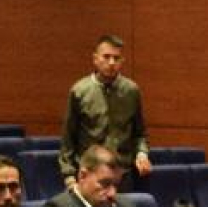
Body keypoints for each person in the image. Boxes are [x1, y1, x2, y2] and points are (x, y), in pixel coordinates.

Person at [59, 35, 151, 191]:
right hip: (91, 174)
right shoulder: (79, 91)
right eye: (106, 57)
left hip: (123, 175)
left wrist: (142, 154)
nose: (111, 63)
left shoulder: (131, 91)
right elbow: (68, 139)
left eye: (116, 58)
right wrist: (68, 177)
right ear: (95, 59)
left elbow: (140, 133)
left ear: (122, 61)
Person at [43, 145, 145, 207]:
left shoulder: (126, 205)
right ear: (83, 175)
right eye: (105, 184)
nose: (112, 193)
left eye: (116, 185)